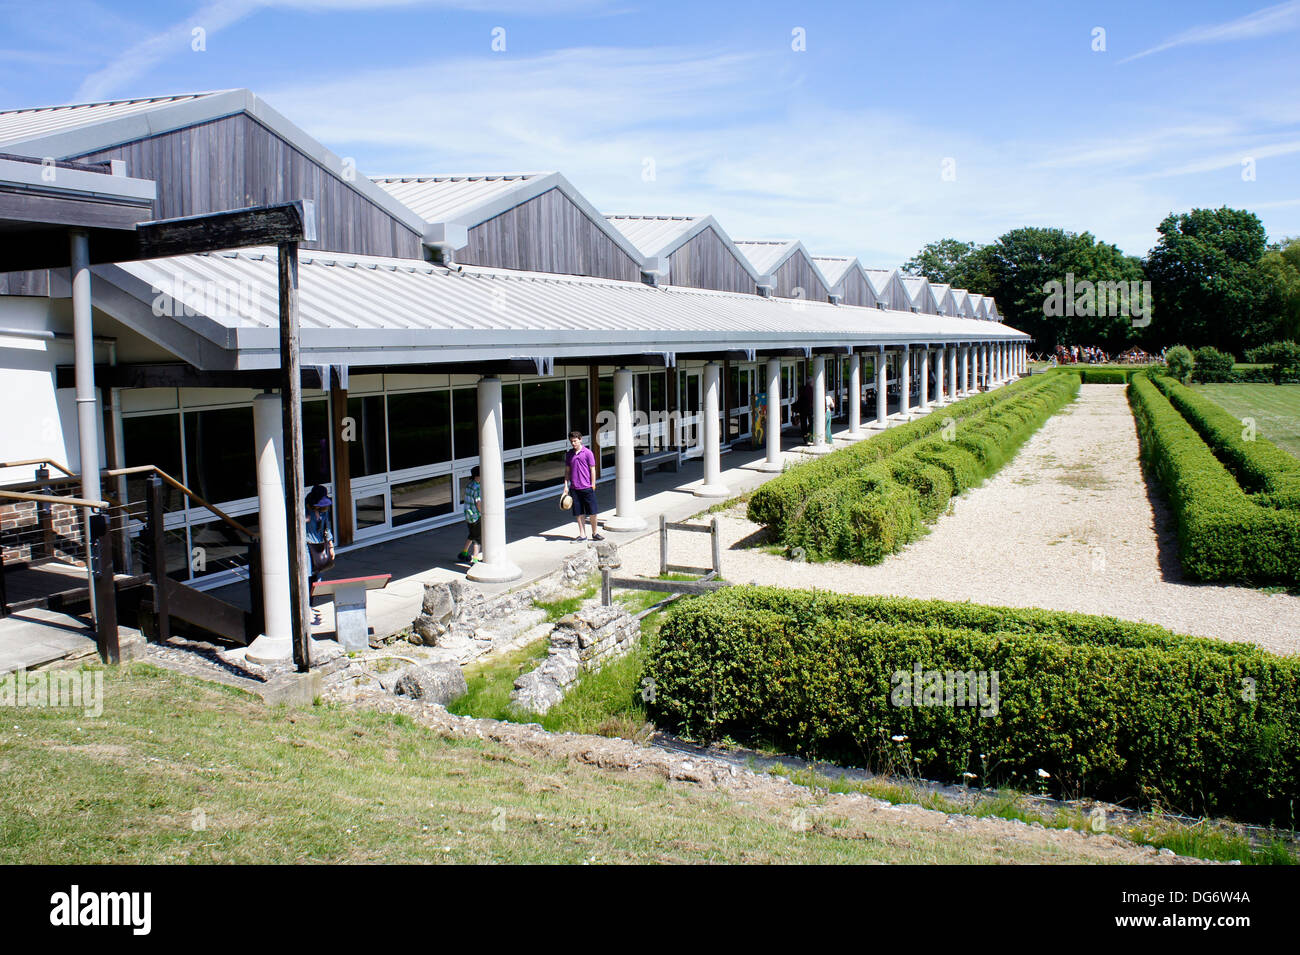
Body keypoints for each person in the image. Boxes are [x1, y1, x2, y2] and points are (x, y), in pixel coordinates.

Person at [563, 430, 602, 542]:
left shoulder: (588, 453)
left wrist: (593, 484)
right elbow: (567, 471)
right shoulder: (569, 454)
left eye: (575, 441)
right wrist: (566, 485)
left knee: (593, 512)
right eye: (571, 441)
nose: (573, 443)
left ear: (580, 439)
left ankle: (595, 533)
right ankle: (582, 534)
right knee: (579, 513)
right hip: (574, 488)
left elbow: (593, 469)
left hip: (587, 487)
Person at [305, 484, 335, 625]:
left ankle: (310, 605)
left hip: (319, 545)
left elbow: (326, 527)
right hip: (306, 547)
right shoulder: (304, 510)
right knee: (307, 577)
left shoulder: (324, 511)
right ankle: (306, 607)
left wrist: (330, 545)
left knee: (316, 578)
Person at [458, 466, 482, 564]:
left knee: (472, 534)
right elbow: (478, 502)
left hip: (468, 515)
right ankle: (475, 559)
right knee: (478, 538)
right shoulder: (477, 487)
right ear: (479, 476)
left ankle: (464, 553)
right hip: (476, 515)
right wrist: (482, 513)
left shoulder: (469, 485)